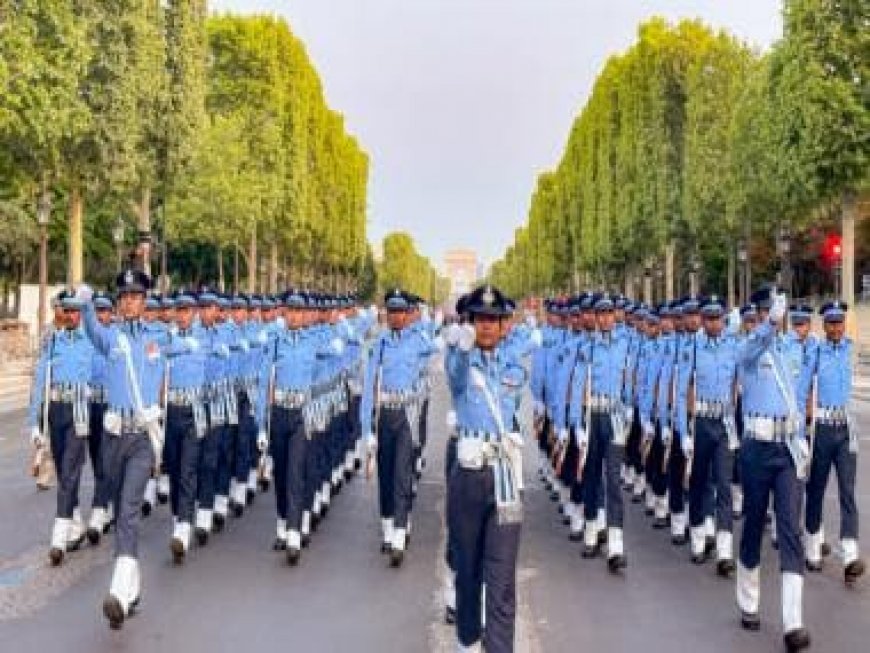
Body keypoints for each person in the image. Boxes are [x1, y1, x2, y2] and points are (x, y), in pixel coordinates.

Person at [76, 269, 195, 629]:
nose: (130, 301)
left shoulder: (157, 338)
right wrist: (83, 303)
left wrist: (192, 338)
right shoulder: (110, 338)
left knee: (128, 509)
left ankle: (117, 593)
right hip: (114, 438)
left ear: (144, 302)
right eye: (124, 296)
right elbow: (90, 328)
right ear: (118, 302)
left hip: (143, 438)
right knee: (120, 510)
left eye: (136, 296)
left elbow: (187, 340)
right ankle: (133, 589)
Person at [446, 284, 526, 652]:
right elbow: (458, 376)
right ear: (471, 322)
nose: (488, 327)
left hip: (505, 478)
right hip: (469, 477)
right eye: (481, 319)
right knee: (468, 571)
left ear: (504, 324)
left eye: (495, 320)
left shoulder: (513, 362)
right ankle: (466, 641)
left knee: (502, 579)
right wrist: (462, 348)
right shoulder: (459, 359)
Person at [735, 286, 810, 652]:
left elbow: (799, 392)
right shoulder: (748, 349)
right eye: (765, 312)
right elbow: (753, 346)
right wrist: (771, 325)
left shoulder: (792, 350)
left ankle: (793, 623)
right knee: (752, 524)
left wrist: (803, 436)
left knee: (790, 530)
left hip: (786, 449)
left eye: (774, 312)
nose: (770, 318)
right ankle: (749, 602)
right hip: (756, 447)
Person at [800, 300, 865, 586]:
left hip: (846, 427)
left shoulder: (851, 348)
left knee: (847, 492)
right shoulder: (816, 350)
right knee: (816, 488)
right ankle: (813, 544)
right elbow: (803, 386)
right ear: (823, 325)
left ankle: (850, 555)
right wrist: (802, 423)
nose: (836, 327)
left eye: (839, 322)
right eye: (831, 323)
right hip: (823, 427)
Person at [26, 291, 94, 564]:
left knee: (69, 470)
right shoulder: (52, 342)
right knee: (65, 470)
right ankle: (76, 523)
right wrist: (34, 423)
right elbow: (40, 383)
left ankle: (59, 535)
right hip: (56, 411)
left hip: (79, 411)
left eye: (76, 311)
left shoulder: (91, 342)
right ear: (61, 313)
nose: (70, 315)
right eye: (66, 311)